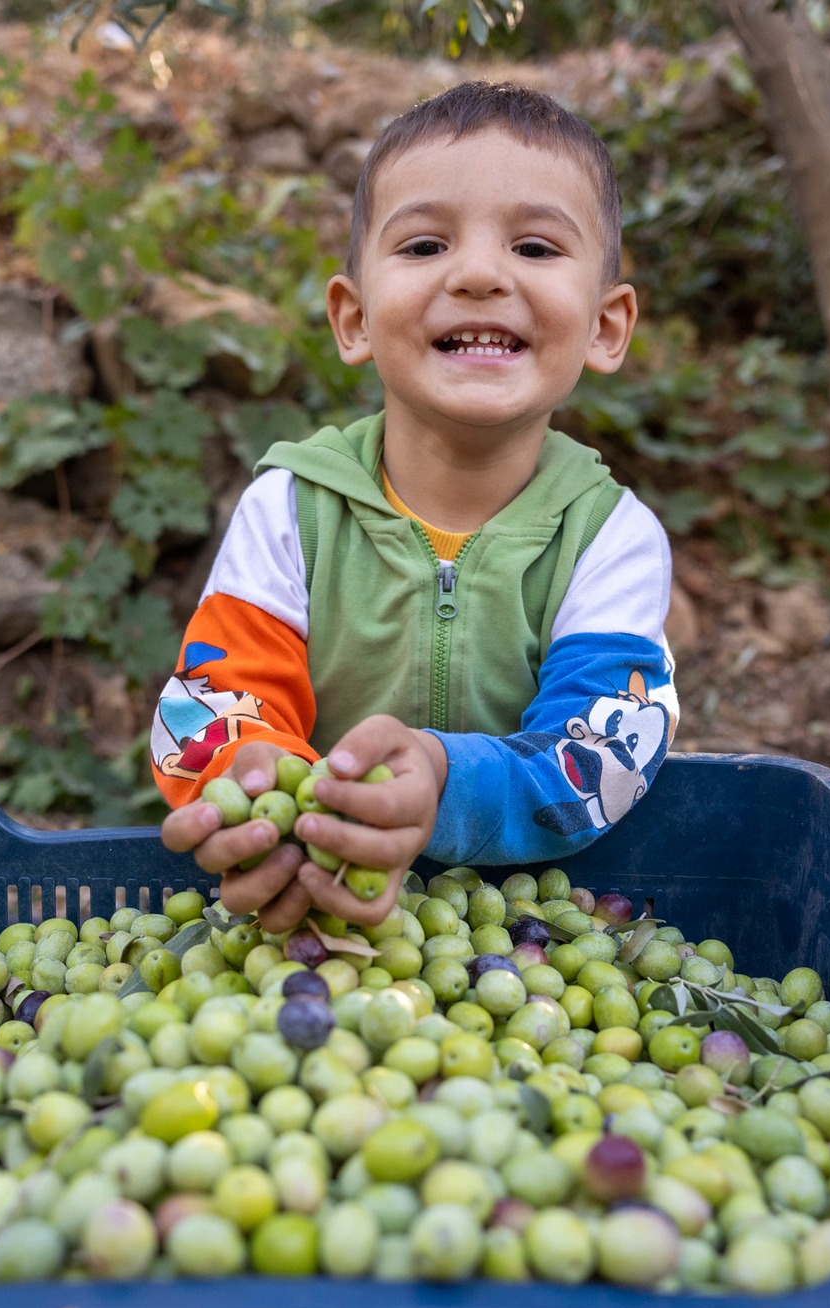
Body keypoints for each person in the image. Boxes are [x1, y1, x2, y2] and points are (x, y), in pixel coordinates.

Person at [150, 80, 677, 932]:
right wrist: (254, 787)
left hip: (525, 932)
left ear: (605, 327)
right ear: (354, 319)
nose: (477, 274)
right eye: (426, 244)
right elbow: (208, 708)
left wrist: (441, 779)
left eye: (537, 248)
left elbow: (599, 758)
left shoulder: (611, 539)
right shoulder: (290, 507)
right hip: (305, 919)